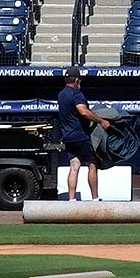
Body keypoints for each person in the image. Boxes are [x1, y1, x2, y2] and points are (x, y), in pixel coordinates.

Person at [52, 67, 97, 201]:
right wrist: (101, 121)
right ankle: (95, 198)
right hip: (80, 136)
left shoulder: (61, 94)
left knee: (74, 166)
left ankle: (72, 199)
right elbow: (83, 111)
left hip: (67, 136)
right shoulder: (77, 94)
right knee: (92, 164)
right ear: (77, 80)